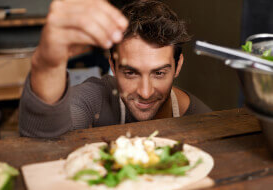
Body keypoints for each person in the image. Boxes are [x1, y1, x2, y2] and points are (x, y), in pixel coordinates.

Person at [19, 0, 211, 138]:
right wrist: (46, 65)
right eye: (130, 73)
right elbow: (45, 136)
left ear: (178, 66)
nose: (145, 92)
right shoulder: (95, 98)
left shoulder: (202, 119)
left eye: (159, 73)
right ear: (113, 66)